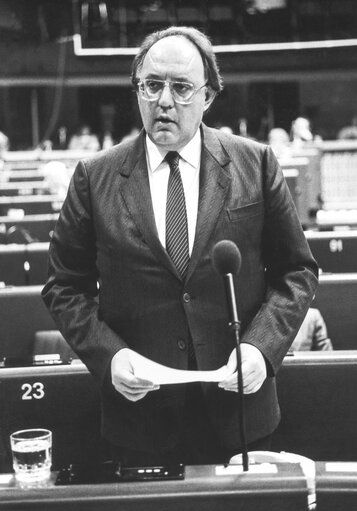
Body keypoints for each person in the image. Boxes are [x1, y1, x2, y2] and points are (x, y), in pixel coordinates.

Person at [42, 26, 318, 467]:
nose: (164, 100)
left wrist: (261, 349)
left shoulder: (257, 163)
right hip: (139, 419)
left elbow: (297, 273)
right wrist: (110, 357)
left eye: (182, 87)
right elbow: (63, 286)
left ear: (208, 96)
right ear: (137, 90)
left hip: (239, 415)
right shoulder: (95, 178)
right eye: (151, 85)